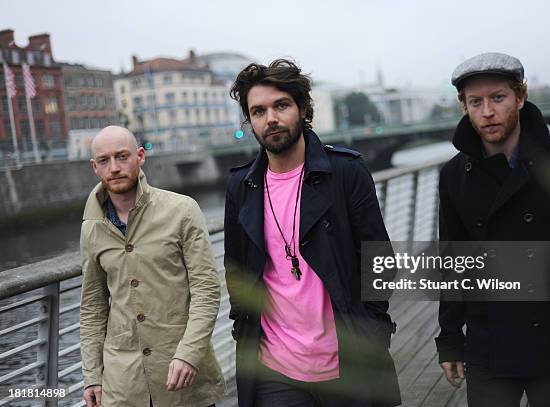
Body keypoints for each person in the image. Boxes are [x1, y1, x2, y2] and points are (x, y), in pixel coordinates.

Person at [435, 52, 550, 407]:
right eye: (476, 101)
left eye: (497, 98)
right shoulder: (454, 175)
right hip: (488, 342)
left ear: (521, 96)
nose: (487, 112)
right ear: (463, 106)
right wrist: (451, 339)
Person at [224, 59, 401, 407]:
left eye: (281, 105)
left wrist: (372, 329)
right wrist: (242, 326)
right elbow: (237, 268)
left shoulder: (345, 172)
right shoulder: (241, 186)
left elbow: (378, 259)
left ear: (302, 108)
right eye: (258, 111)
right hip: (274, 370)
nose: (270, 118)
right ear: (250, 120)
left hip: (347, 363)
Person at [79, 126, 225, 407]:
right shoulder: (91, 228)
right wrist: (92, 376)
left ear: (140, 156)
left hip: (183, 376)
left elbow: (206, 290)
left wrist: (189, 354)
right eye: (104, 161)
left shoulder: (181, 210)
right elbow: (93, 307)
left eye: (122, 157)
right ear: (94, 167)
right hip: (123, 384)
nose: (114, 168)